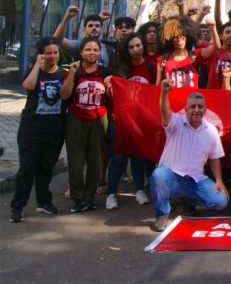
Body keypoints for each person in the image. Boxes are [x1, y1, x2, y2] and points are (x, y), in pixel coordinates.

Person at [149, 80, 229, 231]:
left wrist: (219, 180)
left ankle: (189, 199)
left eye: (200, 106)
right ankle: (162, 213)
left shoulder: (211, 130)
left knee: (221, 201)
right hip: (171, 177)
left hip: (195, 180)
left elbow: (214, 158)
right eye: (193, 107)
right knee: (158, 175)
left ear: (205, 110)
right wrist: (165, 92)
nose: (197, 110)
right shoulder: (175, 122)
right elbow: (164, 111)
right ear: (185, 109)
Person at [9, 37, 67, 223]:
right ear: (41, 54)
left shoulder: (63, 74)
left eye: (55, 52)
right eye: (47, 53)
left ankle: (44, 201)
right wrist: (37, 64)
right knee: (27, 169)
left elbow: (66, 95)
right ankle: (17, 206)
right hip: (31, 129)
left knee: (45, 168)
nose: (52, 56)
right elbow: (28, 86)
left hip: (54, 130)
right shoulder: (34, 72)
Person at [102, 33, 153, 210]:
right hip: (121, 119)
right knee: (118, 157)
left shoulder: (150, 67)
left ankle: (139, 189)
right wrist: (109, 87)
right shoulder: (119, 69)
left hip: (141, 120)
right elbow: (111, 98)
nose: (135, 50)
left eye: (138, 45)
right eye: (131, 47)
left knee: (138, 155)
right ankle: (111, 194)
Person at [60, 37, 110, 212]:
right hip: (76, 119)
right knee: (75, 161)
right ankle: (77, 199)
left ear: (99, 53)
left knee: (95, 161)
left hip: (98, 119)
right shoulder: (76, 71)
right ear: (81, 52)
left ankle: (90, 198)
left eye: (95, 50)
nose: (92, 53)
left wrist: (110, 87)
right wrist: (71, 74)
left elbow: (110, 99)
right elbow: (64, 95)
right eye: (88, 50)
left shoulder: (104, 72)